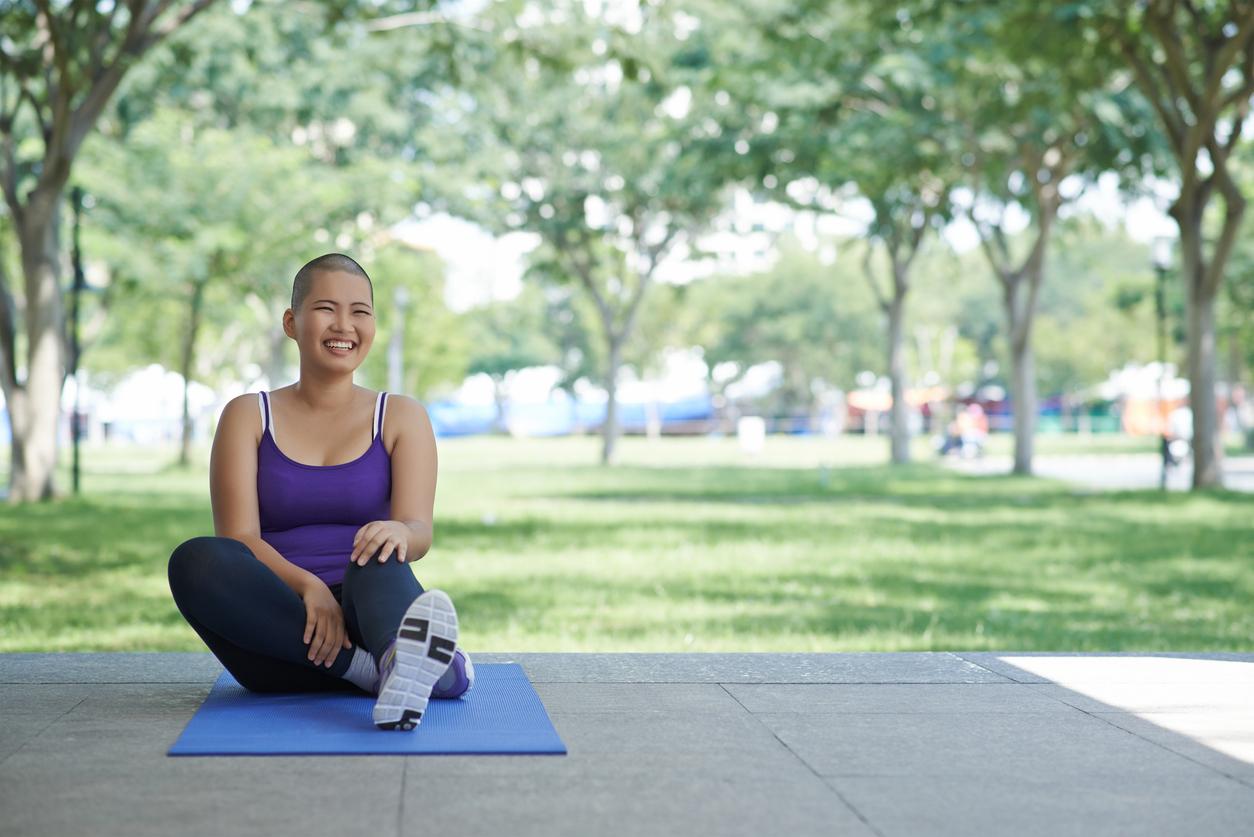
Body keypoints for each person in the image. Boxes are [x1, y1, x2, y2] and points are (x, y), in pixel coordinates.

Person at [167, 253, 473, 732]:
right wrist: (309, 588)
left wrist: (397, 531)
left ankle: (398, 658)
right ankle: (379, 673)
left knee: (375, 550)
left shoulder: (401, 416)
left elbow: (418, 530)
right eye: (327, 308)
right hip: (279, 635)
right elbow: (239, 538)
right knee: (197, 560)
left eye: (360, 312)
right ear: (292, 322)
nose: (344, 325)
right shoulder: (248, 415)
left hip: (373, 617)